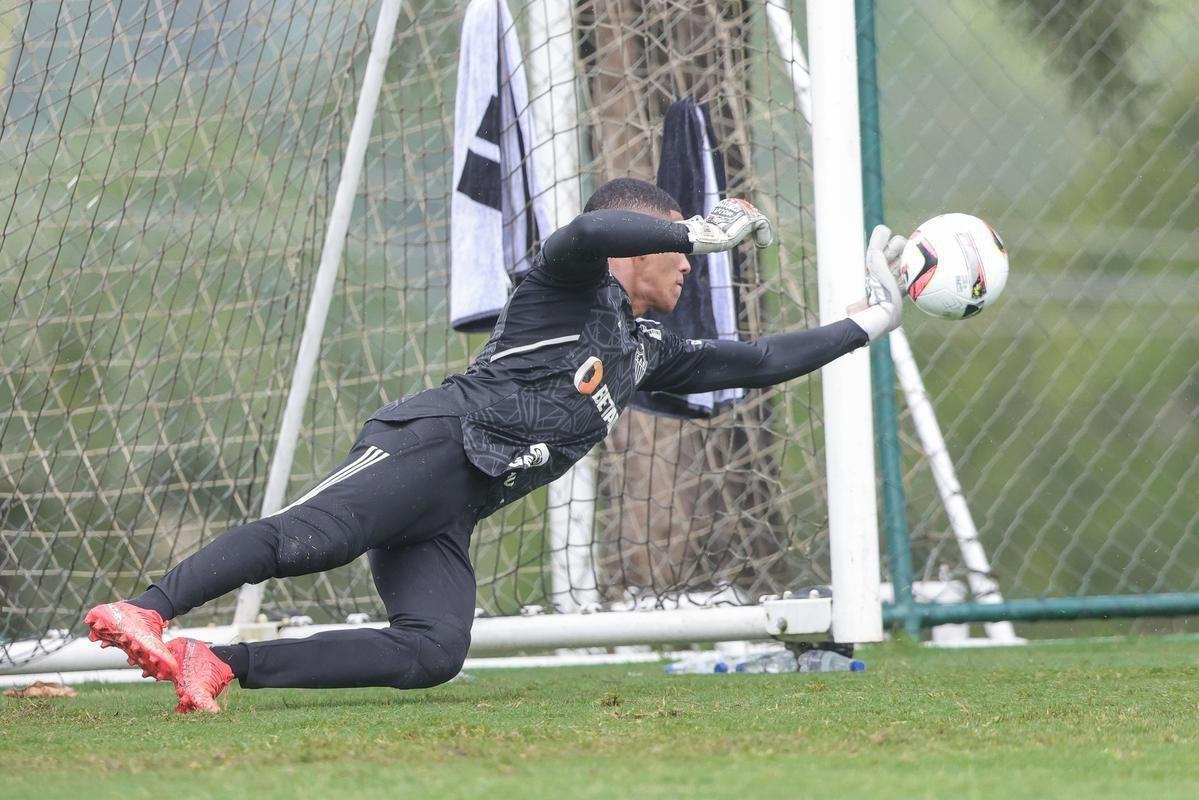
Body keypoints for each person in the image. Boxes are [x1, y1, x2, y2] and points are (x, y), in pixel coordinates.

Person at [83, 177, 906, 713]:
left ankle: (216, 663)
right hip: (430, 445)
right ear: (640, 244)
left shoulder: (646, 348)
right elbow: (586, 231)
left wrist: (874, 317)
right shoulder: (563, 283)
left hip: (453, 510)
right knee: (311, 541)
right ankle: (146, 608)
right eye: (674, 251)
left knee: (433, 650)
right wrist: (700, 230)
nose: (689, 270)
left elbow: (760, 361)